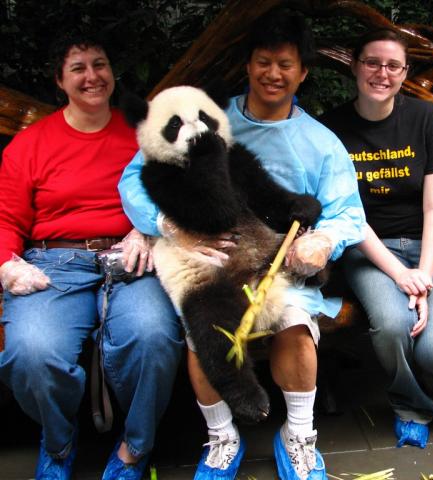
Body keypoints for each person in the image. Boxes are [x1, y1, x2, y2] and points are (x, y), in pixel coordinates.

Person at [118, 9, 365, 480]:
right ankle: (221, 436)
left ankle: (298, 435)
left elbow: (347, 212)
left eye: (285, 64)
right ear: (248, 64)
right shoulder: (204, 115)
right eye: (263, 62)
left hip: (278, 259)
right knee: (203, 333)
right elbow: (135, 177)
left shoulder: (321, 142)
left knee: (295, 324)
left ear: (303, 73)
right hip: (207, 258)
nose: (273, 73)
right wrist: (166, 224)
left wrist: (323, 240)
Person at [0, 35, 183, 480]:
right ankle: (58, 443)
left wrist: (146, 230)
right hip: (54, 262)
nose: (92, 76)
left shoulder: (140, 133)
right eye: (78, 68)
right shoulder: (30, 144)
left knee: (152, 336)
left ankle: (134, 448)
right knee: (31, 351)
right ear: (59, 80)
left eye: (99, 64)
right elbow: (5, 218)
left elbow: (175, 193)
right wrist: (7, 263)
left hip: (133, 255)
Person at [320, 29, 433, 449]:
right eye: (372, 62)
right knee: (392, 327)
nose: (381, 73)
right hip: (370, 246)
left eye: (393, 65)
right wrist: (400, 275)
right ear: (355, 65)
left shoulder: (427, 119)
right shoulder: (331, 129)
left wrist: (422, 275)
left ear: (404, 72)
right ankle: (411, 406)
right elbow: (347, 214)